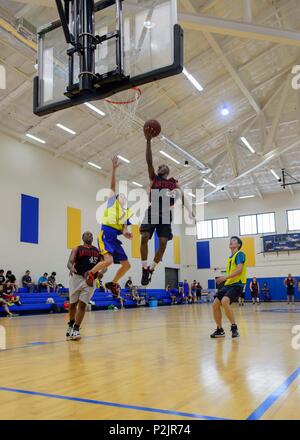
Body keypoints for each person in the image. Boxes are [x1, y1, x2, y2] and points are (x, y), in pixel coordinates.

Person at [139, 127, 194, 286]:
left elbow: (182, 195)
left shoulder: (172, 182)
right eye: (160, 165)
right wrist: (148, 140)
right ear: (158, 170)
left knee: (163, 243)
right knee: (144, 237)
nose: (162, 166)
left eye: (165, 165)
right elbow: (148, 160)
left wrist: (190, 212)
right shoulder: (154, 178)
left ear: (168, 171)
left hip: (165, 214)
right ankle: (143, 267)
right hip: (153, 210)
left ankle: (152, 268)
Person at [85, 157, 132, 297]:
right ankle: (91, 273)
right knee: (109, 261)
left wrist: (127, 233)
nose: (122, 198)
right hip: (105, 234)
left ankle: (112, 283)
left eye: (124, 197)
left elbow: (124, 229)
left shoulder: (125, 213)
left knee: (127, 265)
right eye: (120, 196)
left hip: (115, 240)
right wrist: (114, 169)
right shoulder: (112, 204)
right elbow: (112, 186)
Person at [210, 236, 247, 339]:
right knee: (215, 304)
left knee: (225, 301)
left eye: (234, 240)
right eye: (231, 240)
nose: (231, 242)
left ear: (238, 245)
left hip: (237, 284)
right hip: (228, 285)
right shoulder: (230, 258)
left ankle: (234, 328)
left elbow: (239, 270)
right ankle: (219, 329)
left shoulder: (240, 254)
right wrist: (225, 279)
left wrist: (224, 277)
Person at [67, 231, 100, 340]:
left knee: (82, 305)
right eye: (86, 234)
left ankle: (76, 329)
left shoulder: (97, 251)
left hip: (90, 279)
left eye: (90, 234)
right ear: (82, 237)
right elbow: (70, 262)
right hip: (77, 278)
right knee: (73, 304)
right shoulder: (77, 248)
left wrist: (101, 272)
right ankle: (71, 325)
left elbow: (104, 266)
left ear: (92, 238)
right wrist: (71, 267)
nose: (89, 235)